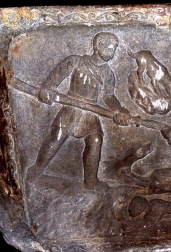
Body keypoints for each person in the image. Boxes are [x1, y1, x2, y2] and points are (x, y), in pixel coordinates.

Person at [26, 32, 131, 191]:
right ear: (97, 46)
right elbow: (54, 80)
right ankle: (36, 171)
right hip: (71, 106)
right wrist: (47, 89)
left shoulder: (108, 73)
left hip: (90, 111)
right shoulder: (76, 61)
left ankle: (91, 181)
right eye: (109, 48)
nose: (112, 52)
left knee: (95, 141)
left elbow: (108, 96)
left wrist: (119, 110)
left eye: (114, 49)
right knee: (57, 137)